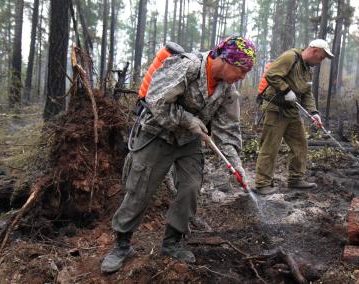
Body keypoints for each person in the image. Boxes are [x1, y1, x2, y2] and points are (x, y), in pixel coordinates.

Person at [101, 36, 256, 273]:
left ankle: (172, 243)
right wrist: (188, 120)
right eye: (242, 69)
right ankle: (121, 244)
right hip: (157, 134)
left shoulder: (227, 89)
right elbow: (156, 101)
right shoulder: (188, 65)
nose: (243, 76)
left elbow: (228, 130)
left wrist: (237, 166)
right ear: (227, 60)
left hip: (189, 141)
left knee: (191, 187)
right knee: (140, 189)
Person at [254, 39, 333, 195]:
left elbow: (307, 93)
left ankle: (296, 179)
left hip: (292, 112)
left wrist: (314, 112)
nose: (321, 61)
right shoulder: (290, 57)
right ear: (314, 50)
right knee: (270, 147)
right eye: (321, 57)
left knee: (300, 144)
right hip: (275, 109)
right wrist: (285, 90)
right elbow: (272, 74)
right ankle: (263, 184)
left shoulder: (307, 70)